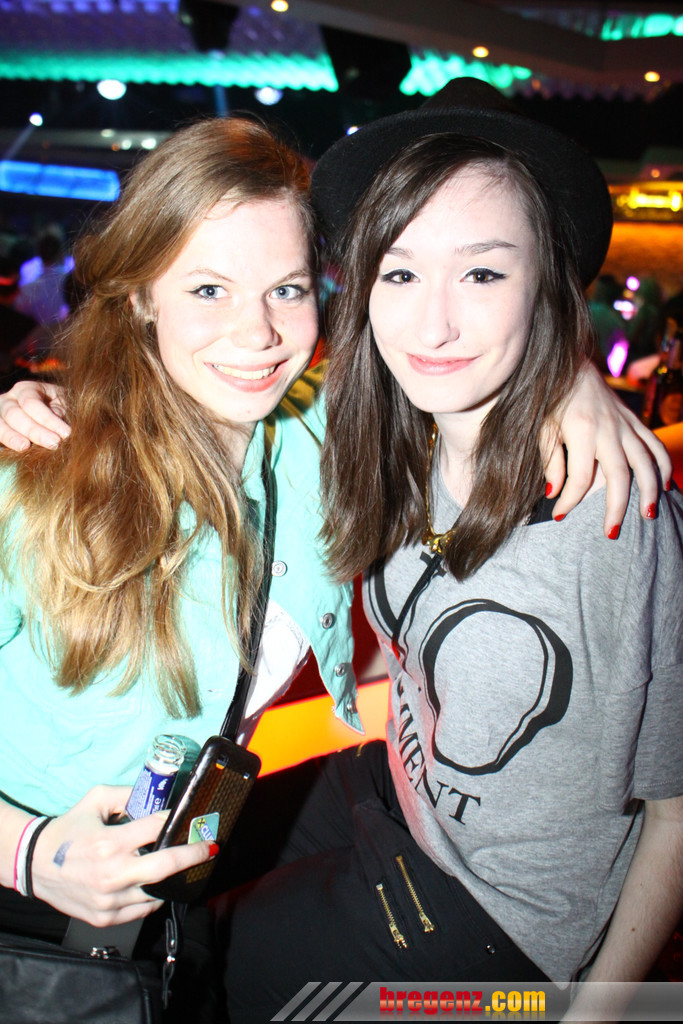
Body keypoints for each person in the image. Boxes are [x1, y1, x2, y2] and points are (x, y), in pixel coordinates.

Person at [214, 80, 682, 1022]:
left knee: (219, 966)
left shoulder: (613, 515)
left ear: (545, 284)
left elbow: (677, 813)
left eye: (481, 275)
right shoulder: (407, 441)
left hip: (501, 922)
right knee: (187, 863)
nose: (431, 326)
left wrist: (593, 1013)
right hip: (393, 793)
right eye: (398, 274)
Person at [0, 117, 360, 959]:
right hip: (25, 910)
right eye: (208, 290)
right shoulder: (36, 476)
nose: (258, 333)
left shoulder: (317, 438)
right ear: (139, 299)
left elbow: (469, 362)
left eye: (286, 289)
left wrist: (572, 392)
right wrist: (29, 854)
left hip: (167, 896)